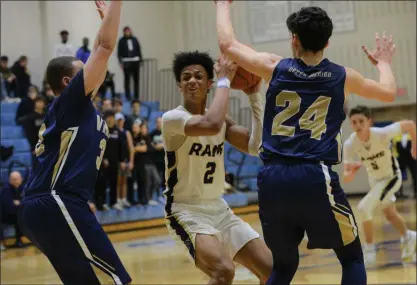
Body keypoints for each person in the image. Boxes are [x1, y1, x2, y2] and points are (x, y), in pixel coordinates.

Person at [215, 3, 398, 284]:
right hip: (314, 176)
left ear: (294, 39)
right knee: (351, 258)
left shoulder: (273, 67)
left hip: (272, 178)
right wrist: (383, 63)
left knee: (283, 266)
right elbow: (388, 93)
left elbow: (227, 44)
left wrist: (222, 4)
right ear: (327, 42)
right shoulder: (343, 76)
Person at [18, 1, 131, 284]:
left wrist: (106, 21)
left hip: (50, 202)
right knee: (115, 280)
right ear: (68, 81)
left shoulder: (75, 107)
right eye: (83, 70)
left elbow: (98, 53)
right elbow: (103, 51)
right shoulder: (71, 102)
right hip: (56, 198)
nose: (92, 70)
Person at [162, 51, 271, 285]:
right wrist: (225, 80)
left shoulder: (221, 120)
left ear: (208, 84)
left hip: (219, 209)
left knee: (271, 270)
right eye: (186, 77)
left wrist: (253, 96)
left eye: (199, 76)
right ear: (180, 86)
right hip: (185, 211)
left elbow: (255, 146)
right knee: (223, 270)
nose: (192, 80)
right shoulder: (172, 119)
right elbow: (210, 125)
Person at [343, 105, 416, 267]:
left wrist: (414, 147)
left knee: (363, 207)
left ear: (369, 121)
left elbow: (410, 124)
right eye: (353, 122)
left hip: (391, 177)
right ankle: (408, 236)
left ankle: (369, 249)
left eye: (361, 121)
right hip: (375, 181)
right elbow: (346, 177)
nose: (357, 125)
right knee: (390, 214)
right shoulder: (350, 144)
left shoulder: (382, 134)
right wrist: (352, 173)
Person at [117, 26, 142, 101]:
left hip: (135, 61)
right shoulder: (121, 41)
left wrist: (140, 59)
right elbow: (119, 52)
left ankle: (136, 96)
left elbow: (138, 49)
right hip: (126, 61)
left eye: (129, 31)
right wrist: (120, 62)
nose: (127, 33)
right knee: (127, 79)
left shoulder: (135, 39)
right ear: (124, 32)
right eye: (126, 31)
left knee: (136, 80)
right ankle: (127, 96)